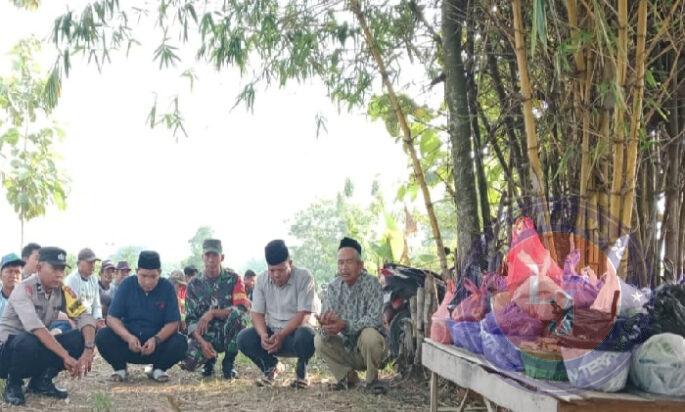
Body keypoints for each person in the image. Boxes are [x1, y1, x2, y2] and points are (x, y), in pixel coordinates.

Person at [0, 247, 96, 405]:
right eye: (54, 268)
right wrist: (65, 355)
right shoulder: (24, 289)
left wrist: (88, 349)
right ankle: (13, 384)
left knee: (79, 337)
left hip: (34, 349)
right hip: (6, 356)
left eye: (62, 269)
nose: (59, 274)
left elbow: (84, 316)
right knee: (27, 340)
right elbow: (36, 328)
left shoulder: (63, 290)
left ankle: (41, 382)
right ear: (39, 268)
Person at [95, 251, 187, 383]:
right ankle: (120, 369)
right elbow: (111, 318)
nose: (148, 281)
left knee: (181, 342)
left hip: (157, 347)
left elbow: (173, 322)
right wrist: (128, 337)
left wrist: (156, 339)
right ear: (137, 271)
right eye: (143, 276)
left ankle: (158, 369)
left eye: (153, 276)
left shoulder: (167, 287)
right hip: (129, 345)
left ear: (159, 273)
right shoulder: (126, 285)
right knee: (103, 336)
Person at [237, 240, 318, 388]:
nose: (276, 275)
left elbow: (303, 315)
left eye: (281, 270)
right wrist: (263, 335)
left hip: (296, 335)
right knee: (243, 338)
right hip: (272, 335)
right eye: (272, 270)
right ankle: (270, 367)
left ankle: (302, 371)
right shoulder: (261, 280)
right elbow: (256, 314)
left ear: (290, 263)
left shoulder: (304, 277)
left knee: (307, 334)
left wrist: (282, 335)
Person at [315, 237, 388, 394]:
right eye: (340, 263)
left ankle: (372, 381)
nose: (344, 267)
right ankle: (348, 378)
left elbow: (375, 319)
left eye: (348, 262)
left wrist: (345, 324)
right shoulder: (333, 288)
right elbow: (327, 321)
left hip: (368, 349)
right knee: (319, 340)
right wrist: (326, 326)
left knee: (370, 334)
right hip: (345, 348)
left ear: (360, 265)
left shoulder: (372, 283)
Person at [181, 239, 249, 379]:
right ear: (202, 257)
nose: (211, 260)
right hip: (205, 334)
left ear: (222, 257)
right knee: (189, 362)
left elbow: (241, 309)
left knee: (239, 317)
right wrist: (202, 343)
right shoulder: (193, 284)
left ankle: (229, 363)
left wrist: (212, 313)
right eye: (207, 255)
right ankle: (209, 362)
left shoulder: (234, 279)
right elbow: (190, 320)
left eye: (215, 255)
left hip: (227, 332)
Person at [65, 248, 105, 329]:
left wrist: (98, 319)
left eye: (94, 262)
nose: (93, 265)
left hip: (91, 320)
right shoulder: (72, 280)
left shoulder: (94, 279)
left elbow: (96, 304)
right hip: (76, 320)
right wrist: (92, 321)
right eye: (90, 262)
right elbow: (73, 308)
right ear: (79, 263)